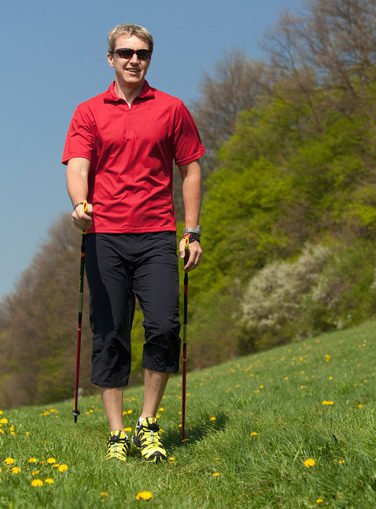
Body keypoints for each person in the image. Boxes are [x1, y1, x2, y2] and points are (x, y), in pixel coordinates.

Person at [62, 23, 205, 461]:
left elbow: (192, 168)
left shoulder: (172, 108)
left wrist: (192, 231)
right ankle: (117, 434)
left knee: (164, 327)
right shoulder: (88, 111)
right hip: (105, 236)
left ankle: (148, 423)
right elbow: (78, 163)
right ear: (110, 58)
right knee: (111, 335)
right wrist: (81, 205)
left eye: (142, 53)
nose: (133, 60)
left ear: (149, 58)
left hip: (158, 236)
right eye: (125, 53)